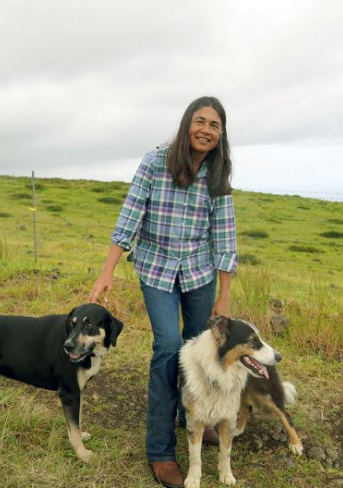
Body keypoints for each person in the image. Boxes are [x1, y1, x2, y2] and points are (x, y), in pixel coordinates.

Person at [89, 96, 238, 488]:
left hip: (199, 272)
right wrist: (107, 271)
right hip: (156, 269)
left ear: (221, 134)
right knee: (169, 347)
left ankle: (191, 416)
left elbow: (224, 237)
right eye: (200, 121)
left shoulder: (219, 173)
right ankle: (160, 450)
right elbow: (129, 217)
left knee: (198, 348)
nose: (206, 130)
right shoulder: (156, 162)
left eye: (215, 125)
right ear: (187, 123)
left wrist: (224, 295)